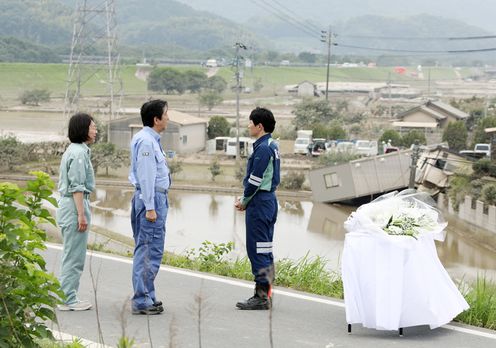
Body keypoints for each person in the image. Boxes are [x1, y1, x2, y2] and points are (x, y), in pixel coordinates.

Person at [235, 107, 280, 310]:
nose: (248, 125)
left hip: (260, 202)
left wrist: (244, 201)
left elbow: (255, 180)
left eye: (250, 122)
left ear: (259, 126)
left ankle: (261, 297)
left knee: (258, 249)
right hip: (268, 201)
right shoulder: (272, 144)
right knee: (266, 248)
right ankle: (266, 293)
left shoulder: (262, 148)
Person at [129, 99, 171, 315]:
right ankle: (142, 300)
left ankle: (148, 295)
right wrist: (150, 207)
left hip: (154, 198)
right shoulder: (146, 142)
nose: (168, 118)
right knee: (148, 250)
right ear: (156, 119)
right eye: (166, 114)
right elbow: (146, 177)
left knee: (150, 248)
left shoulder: (148, 139)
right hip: (151, 199)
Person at [57, 113, 97, 311]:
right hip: (74, 208)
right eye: (92, 127)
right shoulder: (79, 154)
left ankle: (66, 295)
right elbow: (77, 187)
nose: (95, 130)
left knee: (70, 254)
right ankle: (68, 299)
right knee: (74, 256)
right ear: (83, 129)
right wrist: (81, 214)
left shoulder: (75, 150)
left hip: (69, 206)